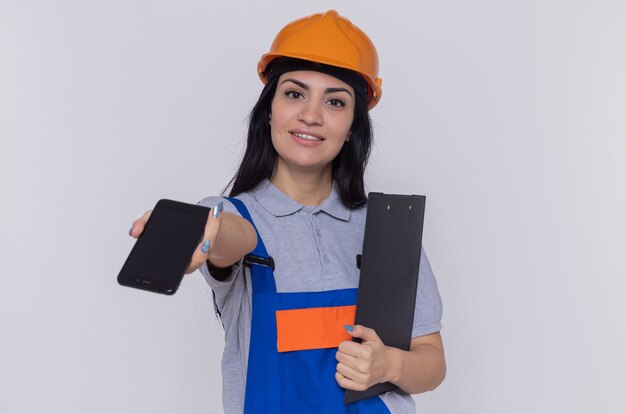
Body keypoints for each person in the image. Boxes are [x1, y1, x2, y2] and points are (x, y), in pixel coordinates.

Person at [130, 10, 445, 414]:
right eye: (295, 93)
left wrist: (391, 364)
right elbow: (232, 237)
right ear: (269, 110)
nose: (311, 115)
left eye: (335, 101)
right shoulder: (236, 218)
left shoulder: (387, 229)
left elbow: (432, 360)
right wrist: (203, 231)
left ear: (352, 126)